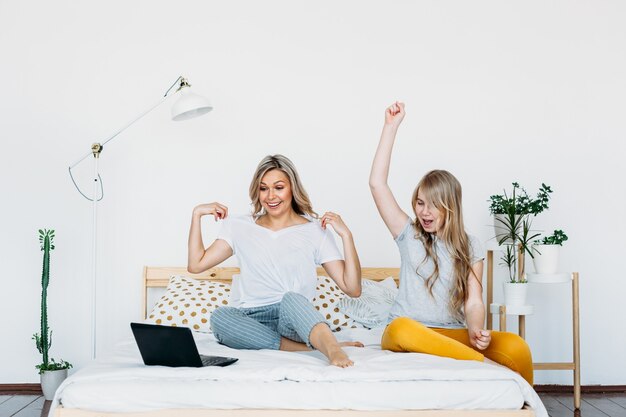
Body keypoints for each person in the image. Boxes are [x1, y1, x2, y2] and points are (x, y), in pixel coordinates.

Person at [369, 102, 533, 385]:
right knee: (400, 329)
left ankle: (523, 407)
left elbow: (474, 301)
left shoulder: (470, 245)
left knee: (517, 348)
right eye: (420, 203)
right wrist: (390, 127)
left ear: (451, 208)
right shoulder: (409, 235)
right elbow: (376, 184)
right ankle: (478, 364)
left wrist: (476, 330)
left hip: (451, 333)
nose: (424, 212)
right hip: (410, 330)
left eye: (433, 206)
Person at [188, 154, 363, 367]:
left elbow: (352, 288)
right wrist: (197, 215)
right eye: (263, 188)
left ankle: (333, 349)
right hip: (252, 320)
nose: (271, 196)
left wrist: (347, 236)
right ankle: (307, 348)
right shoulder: (239, 226)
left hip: (293, 318)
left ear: (292, 189)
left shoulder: (315, 230)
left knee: (292, 298)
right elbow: (196, 265)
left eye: (278, 187)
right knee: (220, 317)